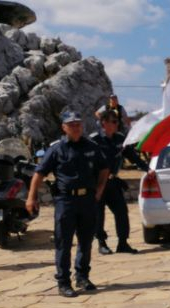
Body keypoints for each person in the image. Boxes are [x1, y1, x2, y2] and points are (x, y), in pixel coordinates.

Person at [26, 110, 109, 297]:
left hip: (87, 200)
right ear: (64, 128)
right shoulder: (56, 149)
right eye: (71, 125)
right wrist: (32, 197)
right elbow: (39, 174)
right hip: (66, 201)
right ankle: (64, 282)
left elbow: (104, 169)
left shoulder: (92, 147)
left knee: (86, 240)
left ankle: (82, 277)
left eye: (78, 124)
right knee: (64, 242)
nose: (76, 127)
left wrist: (99, 190)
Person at [91, 110, 153, 255]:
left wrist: (147, 169)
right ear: (103, 123)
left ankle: (123, 243)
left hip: (113, 182)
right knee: (98, 215)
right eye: (112, 121)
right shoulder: (94, 140)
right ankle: (102, 243)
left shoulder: (120, 139)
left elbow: (132, 156)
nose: (115, 124)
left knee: (122, 212)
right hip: (97, 183)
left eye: (116, 122)